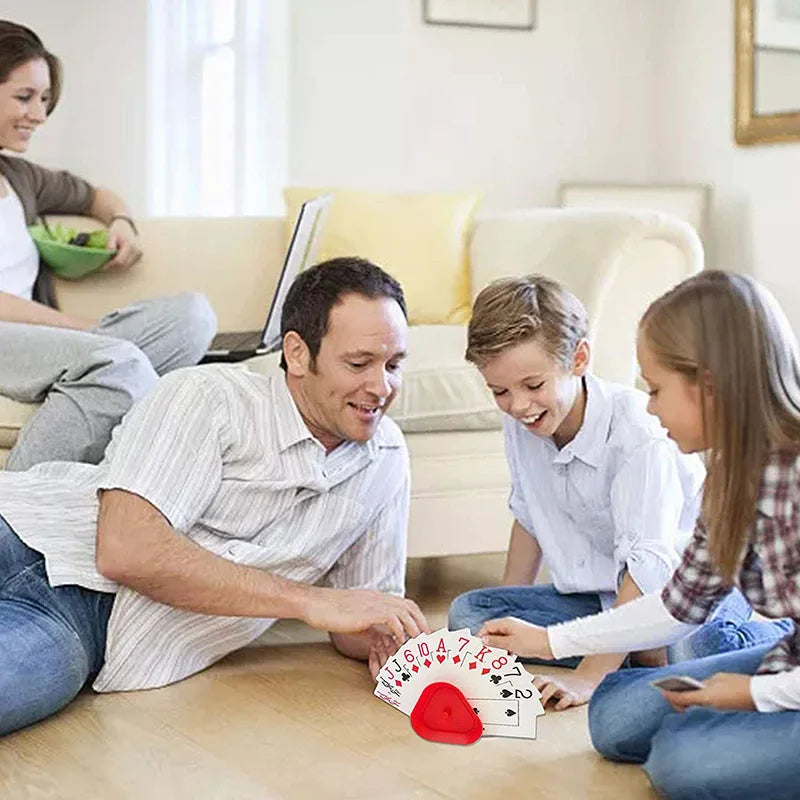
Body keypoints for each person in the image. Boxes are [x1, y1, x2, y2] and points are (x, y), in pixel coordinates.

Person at [0, 256, 429, 737]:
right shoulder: (206, 397)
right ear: (299, 353)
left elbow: (355, 621)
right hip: (22, 530)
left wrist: (396, 641)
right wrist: (307, 601)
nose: (381, 386)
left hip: (84, 624)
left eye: (394, 365)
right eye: (359, 363)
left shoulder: (386, 459)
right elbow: (124, 548)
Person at [478, 271, 800, 799]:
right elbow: (678, 605)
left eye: (656, 389)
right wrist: (547, 640)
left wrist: (752, 695)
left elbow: (657, 579)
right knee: (615, 721)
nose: (649, 406)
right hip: (790, 662)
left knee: (681, 763)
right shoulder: (729, 477)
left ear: (711, 385)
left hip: (786, 680)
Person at [0, 20, 216, 470]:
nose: (38, 114)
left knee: (193, 317)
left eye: (43, 99)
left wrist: (121, 222)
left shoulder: (20, 177)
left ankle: (90, 382)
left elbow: (97, 196)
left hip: (36, 341)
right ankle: (14, 512)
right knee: (118, 359)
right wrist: (72, 328)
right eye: (24, 97)